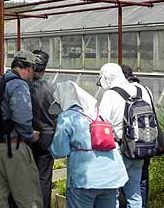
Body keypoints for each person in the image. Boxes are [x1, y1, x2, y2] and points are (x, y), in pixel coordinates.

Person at [50, 81, 128, 208]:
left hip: (85, 179)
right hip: (112, 176)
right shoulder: (100, 114)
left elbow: (59, 151)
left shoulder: (67, 117)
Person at [0, 50, 42, 208]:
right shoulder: (19, 85)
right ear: (29, 68)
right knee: (28, 199)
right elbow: (22, 118)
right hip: (13, 148)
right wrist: (31, 135)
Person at [98, 63, 152, 208]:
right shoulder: (142, 89)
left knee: (112, 193)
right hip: (140, 147)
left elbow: (102, 124)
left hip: (118, 150)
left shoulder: (110, 94)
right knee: (134, 192)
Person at [121, 65, 151, 208]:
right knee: (142, 178)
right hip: (148, 140)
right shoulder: (145, 89)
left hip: (130, 142)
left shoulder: (120, 91)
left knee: (126, 180)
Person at [30, 50, 56, 208]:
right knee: (44, 177)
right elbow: (57, 115)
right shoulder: (51, 88)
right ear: (44, 68)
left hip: (27, 135)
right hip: (47, 136)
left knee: (26, 175)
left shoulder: (23, 86)